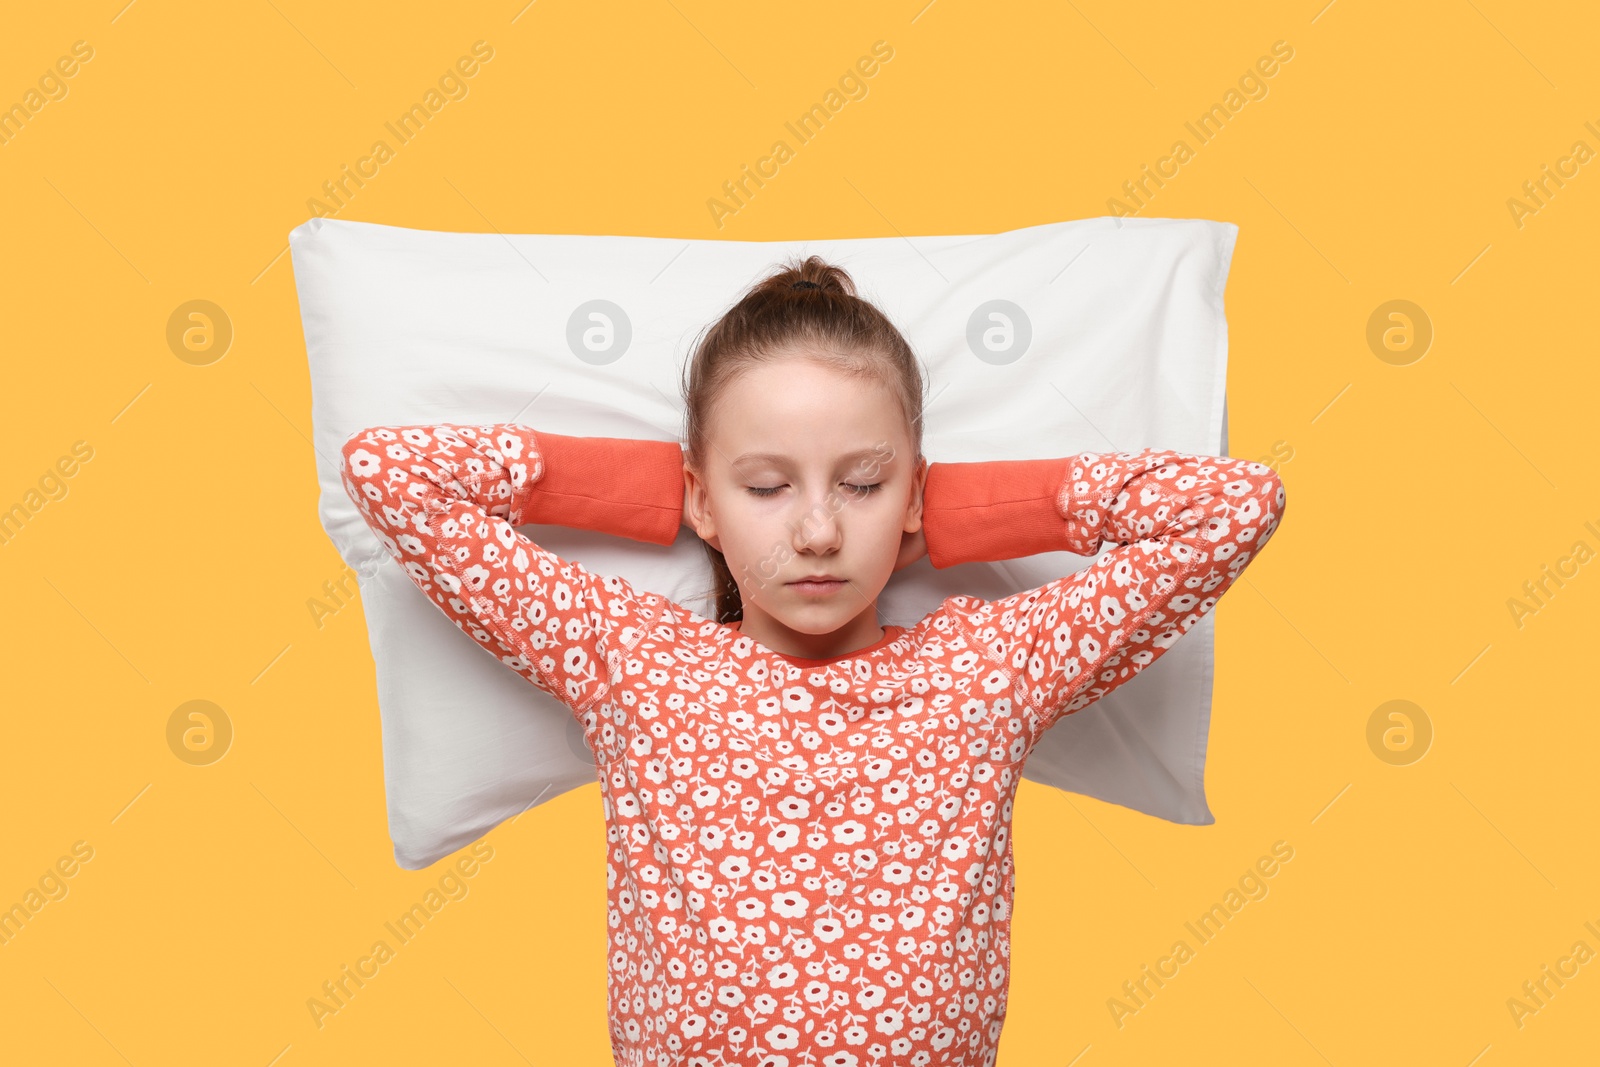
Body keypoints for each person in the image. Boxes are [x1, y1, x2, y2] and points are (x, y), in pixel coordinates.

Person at [338, 255, 1287, 1066]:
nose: (819, 528)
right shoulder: (632, 660)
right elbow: (393, 473)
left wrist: (952, 508)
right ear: (704, 503)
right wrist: (666, 491)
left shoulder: (987, 667)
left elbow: (1232, 508)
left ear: (911, 491)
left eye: (863, 483)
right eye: (764, 484)